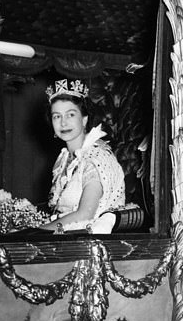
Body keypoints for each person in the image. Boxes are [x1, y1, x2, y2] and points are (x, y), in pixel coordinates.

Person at [40, 78, 126, 234]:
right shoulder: (64, 159)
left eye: (70, 115)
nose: (63, 123)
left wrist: (36, 231)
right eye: (57, 116)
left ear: (84, 119)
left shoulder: (96, 157)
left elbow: (85, 214)